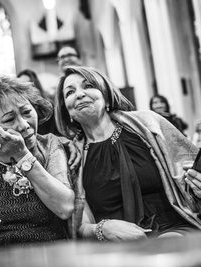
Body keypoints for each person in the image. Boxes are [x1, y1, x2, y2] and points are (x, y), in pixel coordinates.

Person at [54, 66, 201, 242]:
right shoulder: (71, 156)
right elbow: (79, 226)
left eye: (88, 86)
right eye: (70, 92)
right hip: (114, 245)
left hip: (173, 229)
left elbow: (191, 167)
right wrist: (103, 228)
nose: (79, 94)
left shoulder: (148, 124)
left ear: (106, 96)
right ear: (67, 112)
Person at [0, 76, 78, 248]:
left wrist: (23, 157)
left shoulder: (49, 145)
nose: (24, 125)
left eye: (27, 112)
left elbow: (65, 207)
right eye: (9, 120)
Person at [17, 69, 58, 135]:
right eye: (20, 84)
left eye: (26, 84)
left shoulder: (48, 107)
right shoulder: (18, 108)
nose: (23, 88)